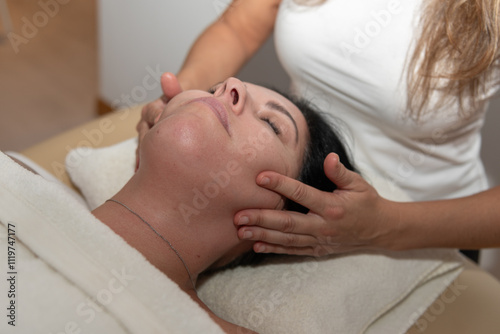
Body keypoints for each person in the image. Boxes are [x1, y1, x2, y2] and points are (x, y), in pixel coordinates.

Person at [137, 0, 500, 257]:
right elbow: (239, 26)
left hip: (429, 227)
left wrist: (385, 226)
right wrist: (185, 98)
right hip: (302, 199)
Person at [90, 77, 356, 332]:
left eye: (271, 124)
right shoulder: (46, 193)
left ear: (281, 222)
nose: (232, 84)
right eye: (213, 89)